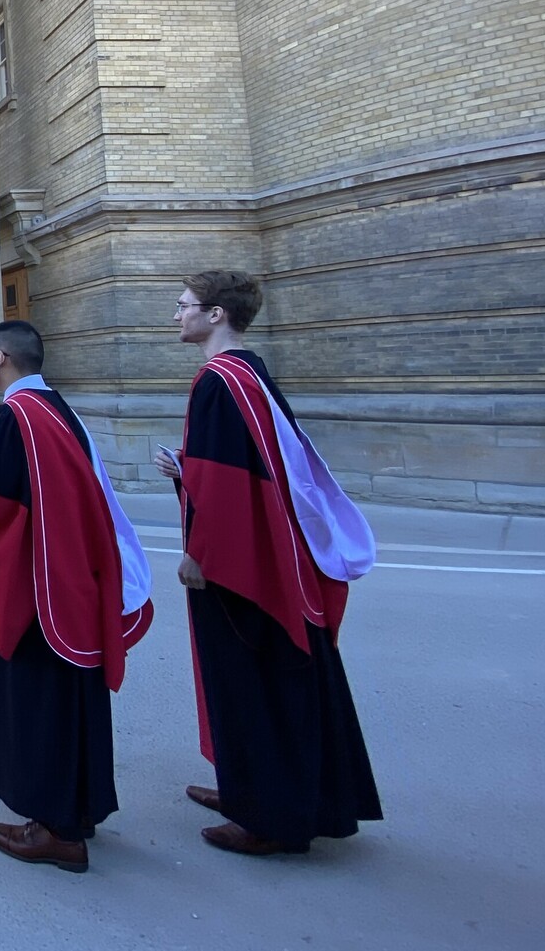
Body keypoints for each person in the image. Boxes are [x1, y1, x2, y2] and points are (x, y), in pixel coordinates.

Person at [154, 270, 381, 856]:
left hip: (241, 566)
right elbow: (256, 471)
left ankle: (266, 817)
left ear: (216, 315)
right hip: (268, 551)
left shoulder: (218, 381)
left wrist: (197, 553)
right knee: (273, 674)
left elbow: (233, 486)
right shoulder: (249, 373)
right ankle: (248, 788)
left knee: (249, 678)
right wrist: (188, 470)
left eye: (184, 306)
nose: (175, 315)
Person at [0, 321, 155, 874]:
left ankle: (54, 828)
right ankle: (81, 808)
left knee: (38, 699)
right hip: (71, 579)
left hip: (33, 590)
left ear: (1, 357)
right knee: (72, 698)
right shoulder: (58, 409)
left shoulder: (15, 416)